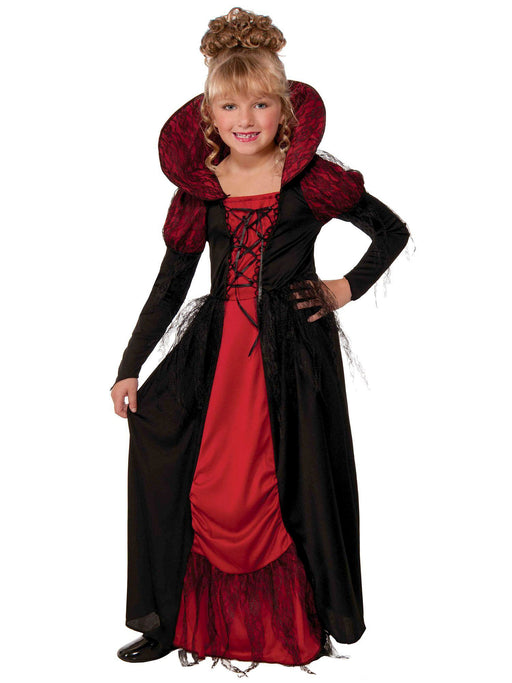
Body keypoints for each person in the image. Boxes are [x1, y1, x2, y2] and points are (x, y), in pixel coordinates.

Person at [110, 6, 411, 676]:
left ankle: (303, 618)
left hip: (291, 355)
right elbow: (170, 283)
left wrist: (344, 288)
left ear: (284, 110)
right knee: (182, 461)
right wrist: (130, 366)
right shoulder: (203, 190)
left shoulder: (311, 180)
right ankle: (169, 617)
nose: (245, 119)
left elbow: (391, 231)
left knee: (291, 479)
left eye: (260, 104)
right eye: (229, 106)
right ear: (209, 116)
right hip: (217, 349)